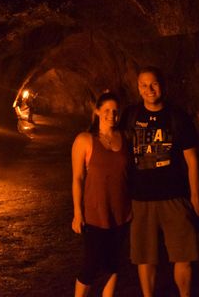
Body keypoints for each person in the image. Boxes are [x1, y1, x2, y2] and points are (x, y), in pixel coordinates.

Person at [120, 66, 199, 297]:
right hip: (140, 199)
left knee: (183, 255)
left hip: (174, 197)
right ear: (138, 88)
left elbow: (192, 161)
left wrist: (196, 198)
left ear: (162, 85)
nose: (149, 89)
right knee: (145, 258)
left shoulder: (178, 118)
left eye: (154, 83)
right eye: (144, 85)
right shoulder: (130, 116)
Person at [72, 92, 132, 297]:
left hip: (121, 213)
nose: (111, 115)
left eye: (115, 111)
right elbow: (77, 178)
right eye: (106, 110)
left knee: (113, 264)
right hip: (95, 214)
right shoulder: (84, 140)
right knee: (91, 265)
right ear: (97, 111)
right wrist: (77, 213)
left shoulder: (125, 138)